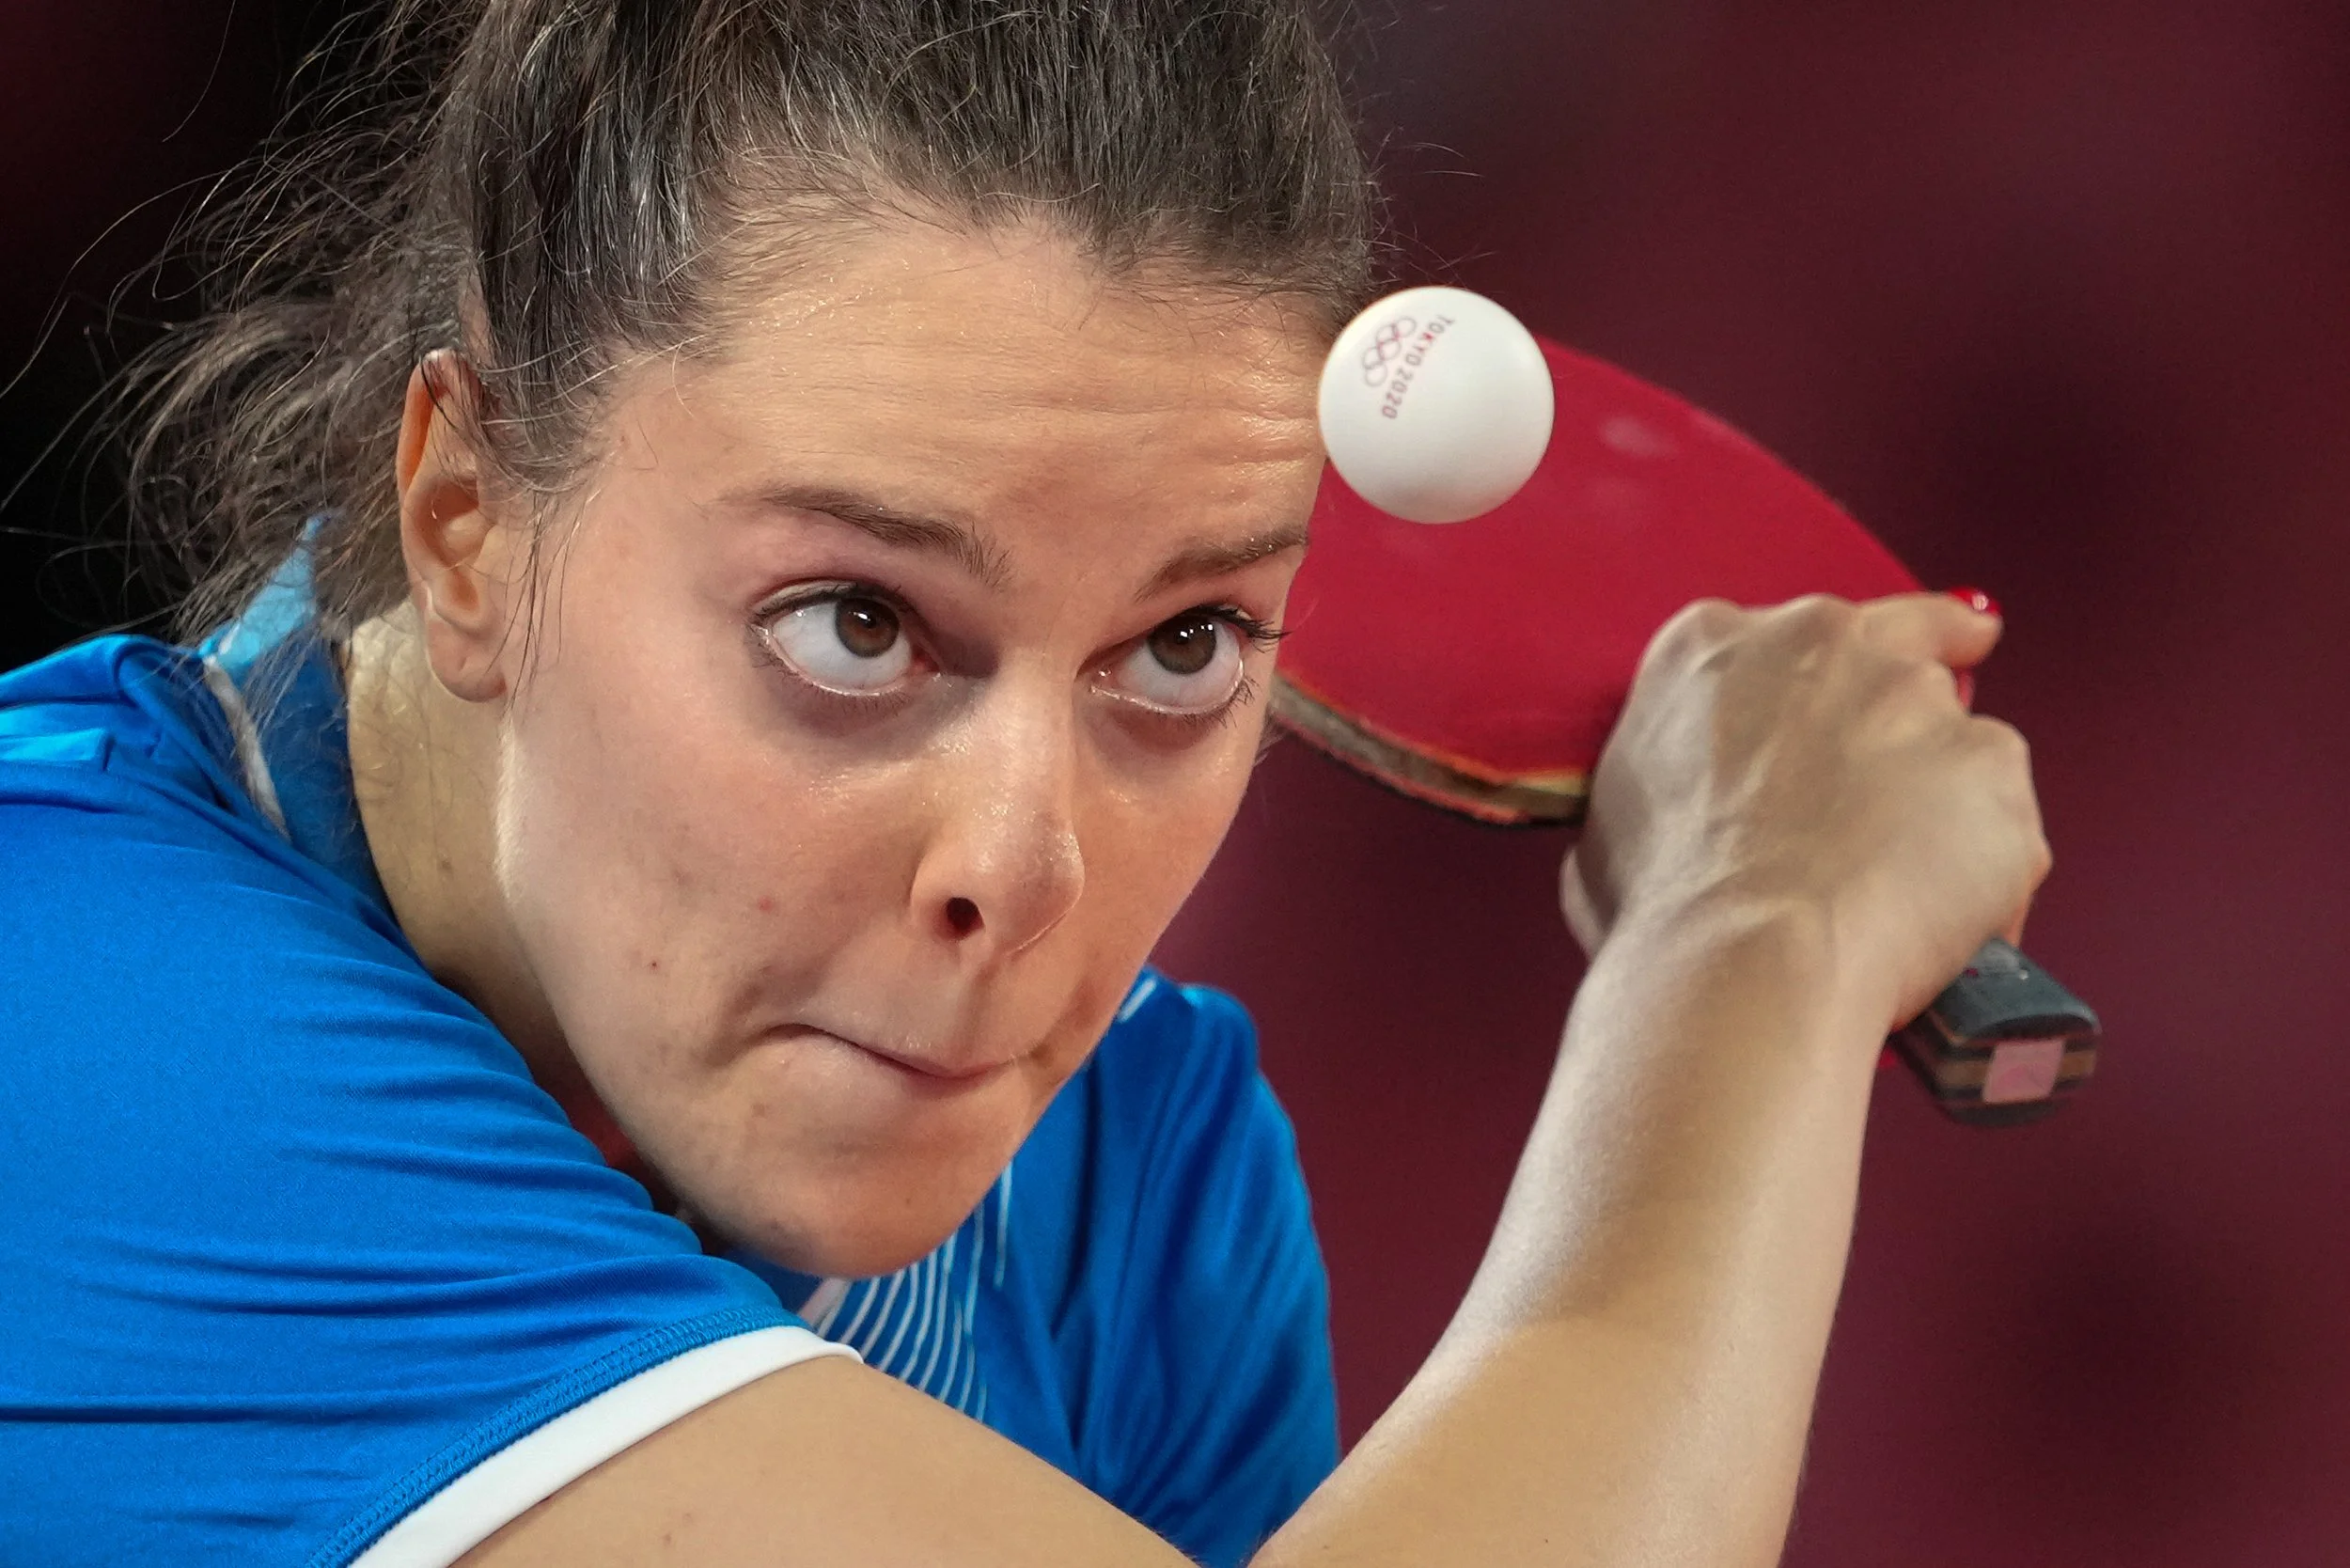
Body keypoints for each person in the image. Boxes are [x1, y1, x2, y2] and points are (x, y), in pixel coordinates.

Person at [0, 2, 2049, 1565]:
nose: (1020, 868)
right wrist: (1746, 947)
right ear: (463, 522)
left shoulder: (1130, 1188)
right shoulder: (57, 1006)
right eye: (857, 626)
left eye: (1179, 649)